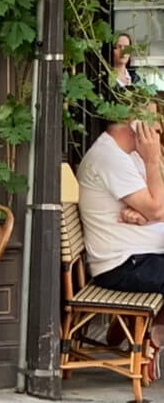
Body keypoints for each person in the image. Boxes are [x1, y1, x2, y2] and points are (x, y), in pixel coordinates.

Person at [76, 116, 164, 382]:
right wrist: (152, 160)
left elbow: (158, 205)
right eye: (155, 128)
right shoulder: (110, 158)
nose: (159, 135)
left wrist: (148, 214)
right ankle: (154, 337)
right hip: (124, 265)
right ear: (136, 126)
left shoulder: (128, 154)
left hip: (143, 255)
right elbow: (158, 206)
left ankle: (151, 334)